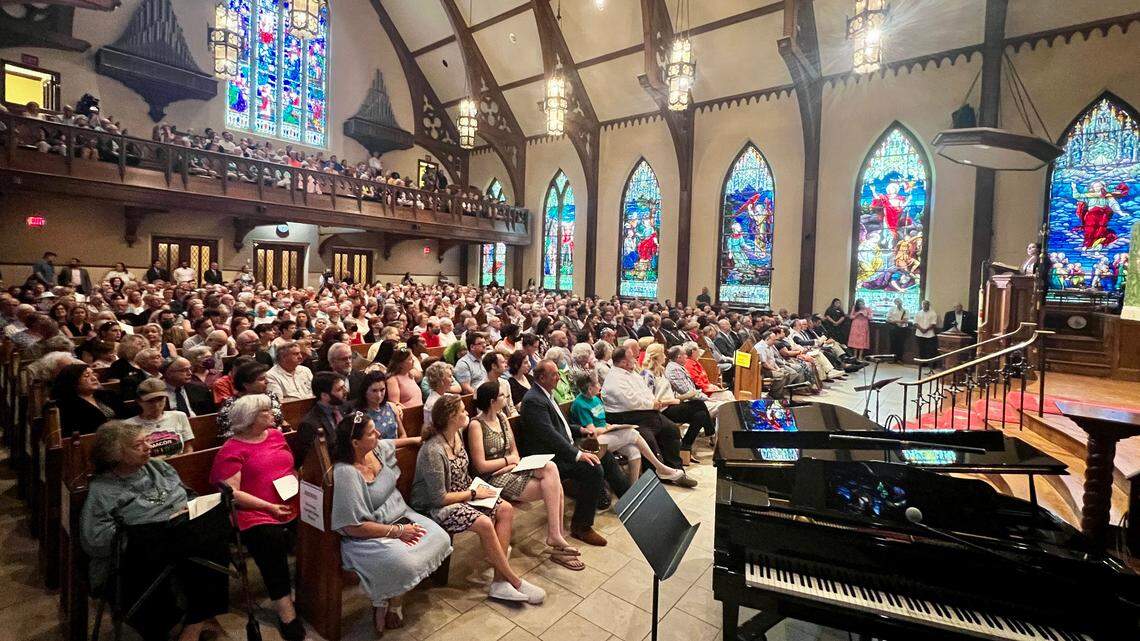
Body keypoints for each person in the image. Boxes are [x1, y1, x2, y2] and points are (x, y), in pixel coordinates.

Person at [80, 422, 230, 641]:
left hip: (180, 536)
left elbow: (185, 495)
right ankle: (165, 629)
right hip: (137, 553)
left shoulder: (159, 468)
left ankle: (193, 627)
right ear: (115, 454)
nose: (148, 447)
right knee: (148, 573)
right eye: (138, 445)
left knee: (214, 544)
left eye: (147, 440)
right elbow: (94, 539)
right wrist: (140, 532)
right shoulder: (103, 489)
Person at [411, 394, 545, 604]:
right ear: (451, 417)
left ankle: (500, 582)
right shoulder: (433, 450)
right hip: (437, 506)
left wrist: (477, 489)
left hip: (463, 492)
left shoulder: (456, 435)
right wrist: (474, 494)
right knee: (483, 522)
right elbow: (438, 498)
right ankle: (514, 580)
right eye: (462, 411)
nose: (467, 413)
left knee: (505, 509)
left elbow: (463, 474)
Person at [330, 411, 452, 634]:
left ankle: (392, 600)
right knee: (404, 562)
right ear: (355, 443)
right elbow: (352, 527)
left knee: (439, 537)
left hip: (400, 513)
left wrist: (418, 439)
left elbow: (393, 442)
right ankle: (385, 600)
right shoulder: (346, 473)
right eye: (371, 432)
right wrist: (397, 531)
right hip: (369, 533)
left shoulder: (375, 449)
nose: (377, 433)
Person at [210, 394, 305, 641]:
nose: (272, 412)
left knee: (318, 522)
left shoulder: (274, 435)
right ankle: (285, 608)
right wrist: (269, 507)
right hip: (255, 510)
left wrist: (302, 488)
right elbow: (233, 494)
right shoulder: (231, 450)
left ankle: (313, 590)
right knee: (269, 539)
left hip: (290, 499)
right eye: (265, 411)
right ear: (251, 419)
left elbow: (289, 466)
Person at [467, 381, 582, 570]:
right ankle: (557, 538)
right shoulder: (476, 425)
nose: (507, 399)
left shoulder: (502, 418)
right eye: (503, 396)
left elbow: (515, 453)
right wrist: (507, 462)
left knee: (551, 468)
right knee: (556, 487)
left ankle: (555, 535)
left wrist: (509, 463)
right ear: (493, 400)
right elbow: (481, 465)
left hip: (510, 469)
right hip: (492, 479)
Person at [519, 360, 630, 546]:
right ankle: (581, 527)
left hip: (560, 450)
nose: (558, 377)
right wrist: (577, 455)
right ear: (541, 377)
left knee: (606, 457)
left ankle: (628, 501)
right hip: (548, 458)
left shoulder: (546, 394)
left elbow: (560, 425)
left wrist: (580, 430)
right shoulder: (533, 400)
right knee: (592, 468)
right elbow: (549, 434)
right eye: (554, 374)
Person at [569, 372, 685, 484]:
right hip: (589, 443)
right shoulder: (580, 404)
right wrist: (609, 428)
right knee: (632, 433)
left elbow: (601, 422)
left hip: (604, 435)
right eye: (597, 383)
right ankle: (660, 468)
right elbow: (592, 431)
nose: (600, 385)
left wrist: (611, 427)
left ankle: (631, 489)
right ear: (590, 389)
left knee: (633, 450)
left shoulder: (595, 399)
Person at [601, 347, 686, 473]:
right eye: (632, 358)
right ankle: (657, 473)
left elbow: (645, 391)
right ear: (624, 362)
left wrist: (653, 402)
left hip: (644, 413)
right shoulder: (614, 379)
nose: (636, 360)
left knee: (671, 429)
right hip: (625, 416)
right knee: (648, 437)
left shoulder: (631, 372)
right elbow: (631, 402)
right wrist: (652, 405)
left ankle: (675, 467)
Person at [124, 377, 195, 458]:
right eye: (150, 401)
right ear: (139, 401)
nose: (156, 405)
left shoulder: (179, 416)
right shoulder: (128, 425)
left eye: (160, 399)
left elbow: (188, 448)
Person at [217, 361, 286, 437]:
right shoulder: (231, 405)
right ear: (246, 384)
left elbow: (279, 420)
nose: (267, 381)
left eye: (266, 378)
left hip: (275, 437)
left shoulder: (270, 396)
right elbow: (228, 434)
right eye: (261, 379)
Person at [294, 371, 349, 466]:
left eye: (344, 387)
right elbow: (309, 462)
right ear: (324, 395)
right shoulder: (309, 424)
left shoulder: (347, 408)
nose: (345, 391)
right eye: (340, 389)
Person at [353, 371, 420, 447]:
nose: (379, 395)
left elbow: (403, 434)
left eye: (382, 390)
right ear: (365, 391)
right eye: (374, 391)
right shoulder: (359, 415)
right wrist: (412, 440)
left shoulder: (391, 406)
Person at [52, 363, 116, 435]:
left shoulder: (108, 395)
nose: (94, 378)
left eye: (94, 374)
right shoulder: (66, 406)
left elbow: (125, 415)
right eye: (86, 376)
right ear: (73, 382)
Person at [423, 360, 460, 426]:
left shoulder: (448, 396)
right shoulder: (433, 404)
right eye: (449, 376)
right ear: (440, 380)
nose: (452, 380)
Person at [887, 298, 909, 363]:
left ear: (902, 302)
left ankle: (899, 359)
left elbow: (905, 320)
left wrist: (896, 321)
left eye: (899, 302)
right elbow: (888, 318)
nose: (898, 303)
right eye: (897, 302)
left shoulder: (906, 310)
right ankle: (892, 359)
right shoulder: (892, 309)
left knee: (901, 344)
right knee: (893, 344)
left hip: (902, 329)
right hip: (893, 328)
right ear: (895, 303)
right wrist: (895, 321)